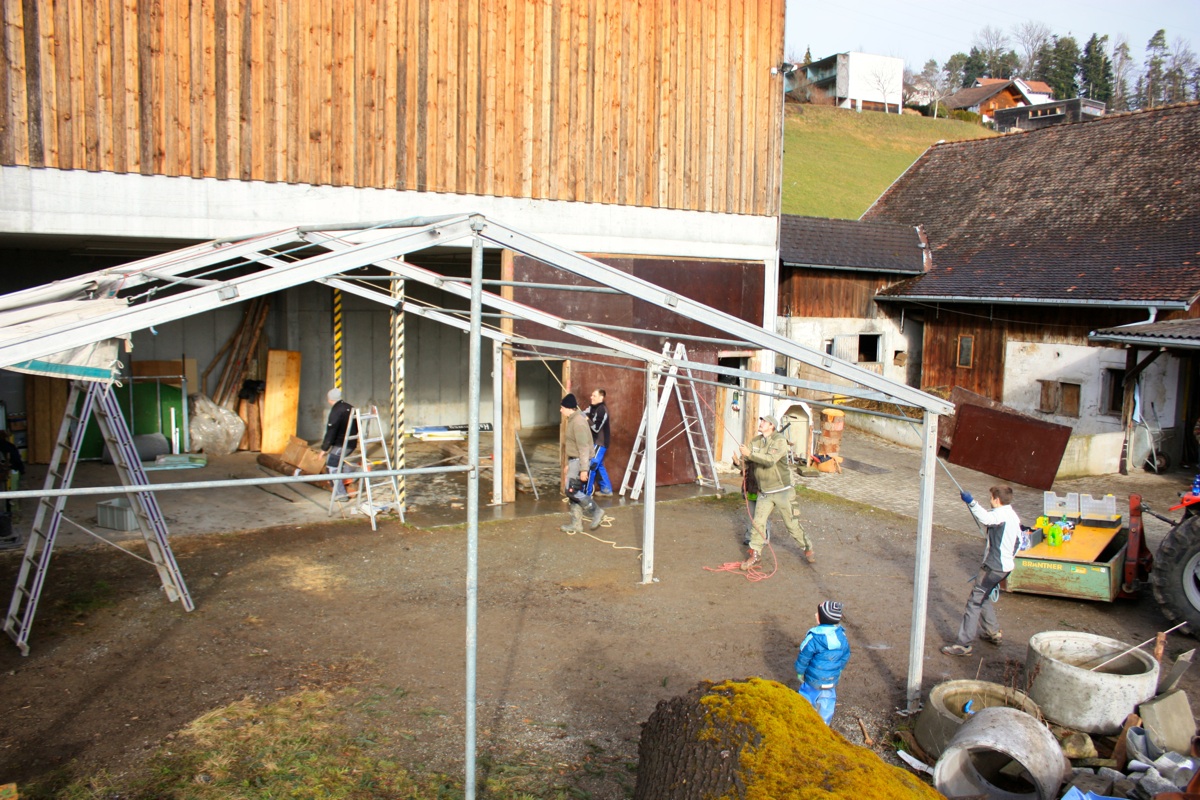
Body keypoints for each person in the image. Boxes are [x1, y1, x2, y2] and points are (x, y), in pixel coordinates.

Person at [941, 485, 1021, 657]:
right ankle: (993, 632)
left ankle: (964, 644)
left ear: (996, 500)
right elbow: (1019, 541)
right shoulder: (1012, 515)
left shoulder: (999, 515)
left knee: (974, 602)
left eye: (991, 497)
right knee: (983, 597)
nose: (990, 500)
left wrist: (971, 502)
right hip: (1005, 567)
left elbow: (985, 518)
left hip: (993, 567)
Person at [732, 414, 814, 570]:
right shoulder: (755, 441)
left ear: (772, 426)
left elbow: (770, 460)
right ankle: (755, 555)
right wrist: (738, 462)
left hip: (783, 490)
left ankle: (807, 547)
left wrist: (749, 454)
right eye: (761, 421)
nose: (761, 423)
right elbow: (748, 462)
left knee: (791, 524)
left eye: (765, 421)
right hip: (765, 492)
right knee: (758, 523)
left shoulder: (779, 441)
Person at [795, 600, 851, 724]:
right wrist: (839, 670)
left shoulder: (814, 637)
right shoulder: (842, 636)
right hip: (831, 680)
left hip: (813, 680)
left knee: (806, 698)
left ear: (821, 619)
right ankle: (824, 724)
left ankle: (805, 721)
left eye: (818, 613)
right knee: (827, 702)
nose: (816, 614)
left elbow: (804, 657)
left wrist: (800, 672)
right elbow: (845, 655)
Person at [560, 393, 604, 533]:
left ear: (568, 408)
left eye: (562, 407)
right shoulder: (573, 419)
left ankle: (596, 511)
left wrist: (584, 469)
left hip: (579, 461)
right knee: (572, 491)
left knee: (572, 491)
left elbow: (584, 448)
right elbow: (573, 445)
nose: (560, 410)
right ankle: (576, 524)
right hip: (574, 460)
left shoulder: (578, 422)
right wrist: (568, 464)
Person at [320, 388, 358, 500]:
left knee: (331, 466)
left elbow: (331, 431)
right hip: (350, 443)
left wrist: (324, 449)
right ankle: (353, 470)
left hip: (342, 444)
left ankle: (341, 495)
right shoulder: (350, 407)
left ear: (329, 399)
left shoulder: (336, 411)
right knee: (335, 461)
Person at [585, 388, 614, 496]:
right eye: (591, 395)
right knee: (599, 465)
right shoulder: (592, 407)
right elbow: (583, 413)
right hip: (594, 442)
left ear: (601, 398)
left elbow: (596, 428)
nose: (591, 397)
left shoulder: (602, 410)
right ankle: (606, 490)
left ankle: (586, 494)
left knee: (591, 466)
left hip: (600, 443)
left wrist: (587, 420)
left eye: (594, 396)